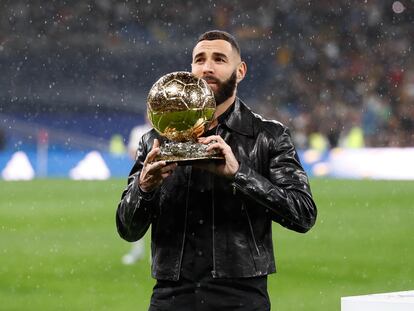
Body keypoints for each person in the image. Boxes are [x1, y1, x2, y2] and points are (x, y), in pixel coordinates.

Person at [116, 30, 317, 310]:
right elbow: (127, 229)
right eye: (199, 60)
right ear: (190, 69)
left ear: (240, 70)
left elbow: (303, 214)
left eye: (219, 59)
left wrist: (239, 174)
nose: (207, 67)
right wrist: (144, 189)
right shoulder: (155, 140)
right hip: (171, 297)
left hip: (241, 298)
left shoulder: (267, 136)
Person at [121, 120, 152, 265]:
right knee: (137, 214)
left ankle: (155, 254)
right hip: (141, 178)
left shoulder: (170, 130)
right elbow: (132, 152)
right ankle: (137, 252)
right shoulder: (139, 131)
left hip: (165, 176)